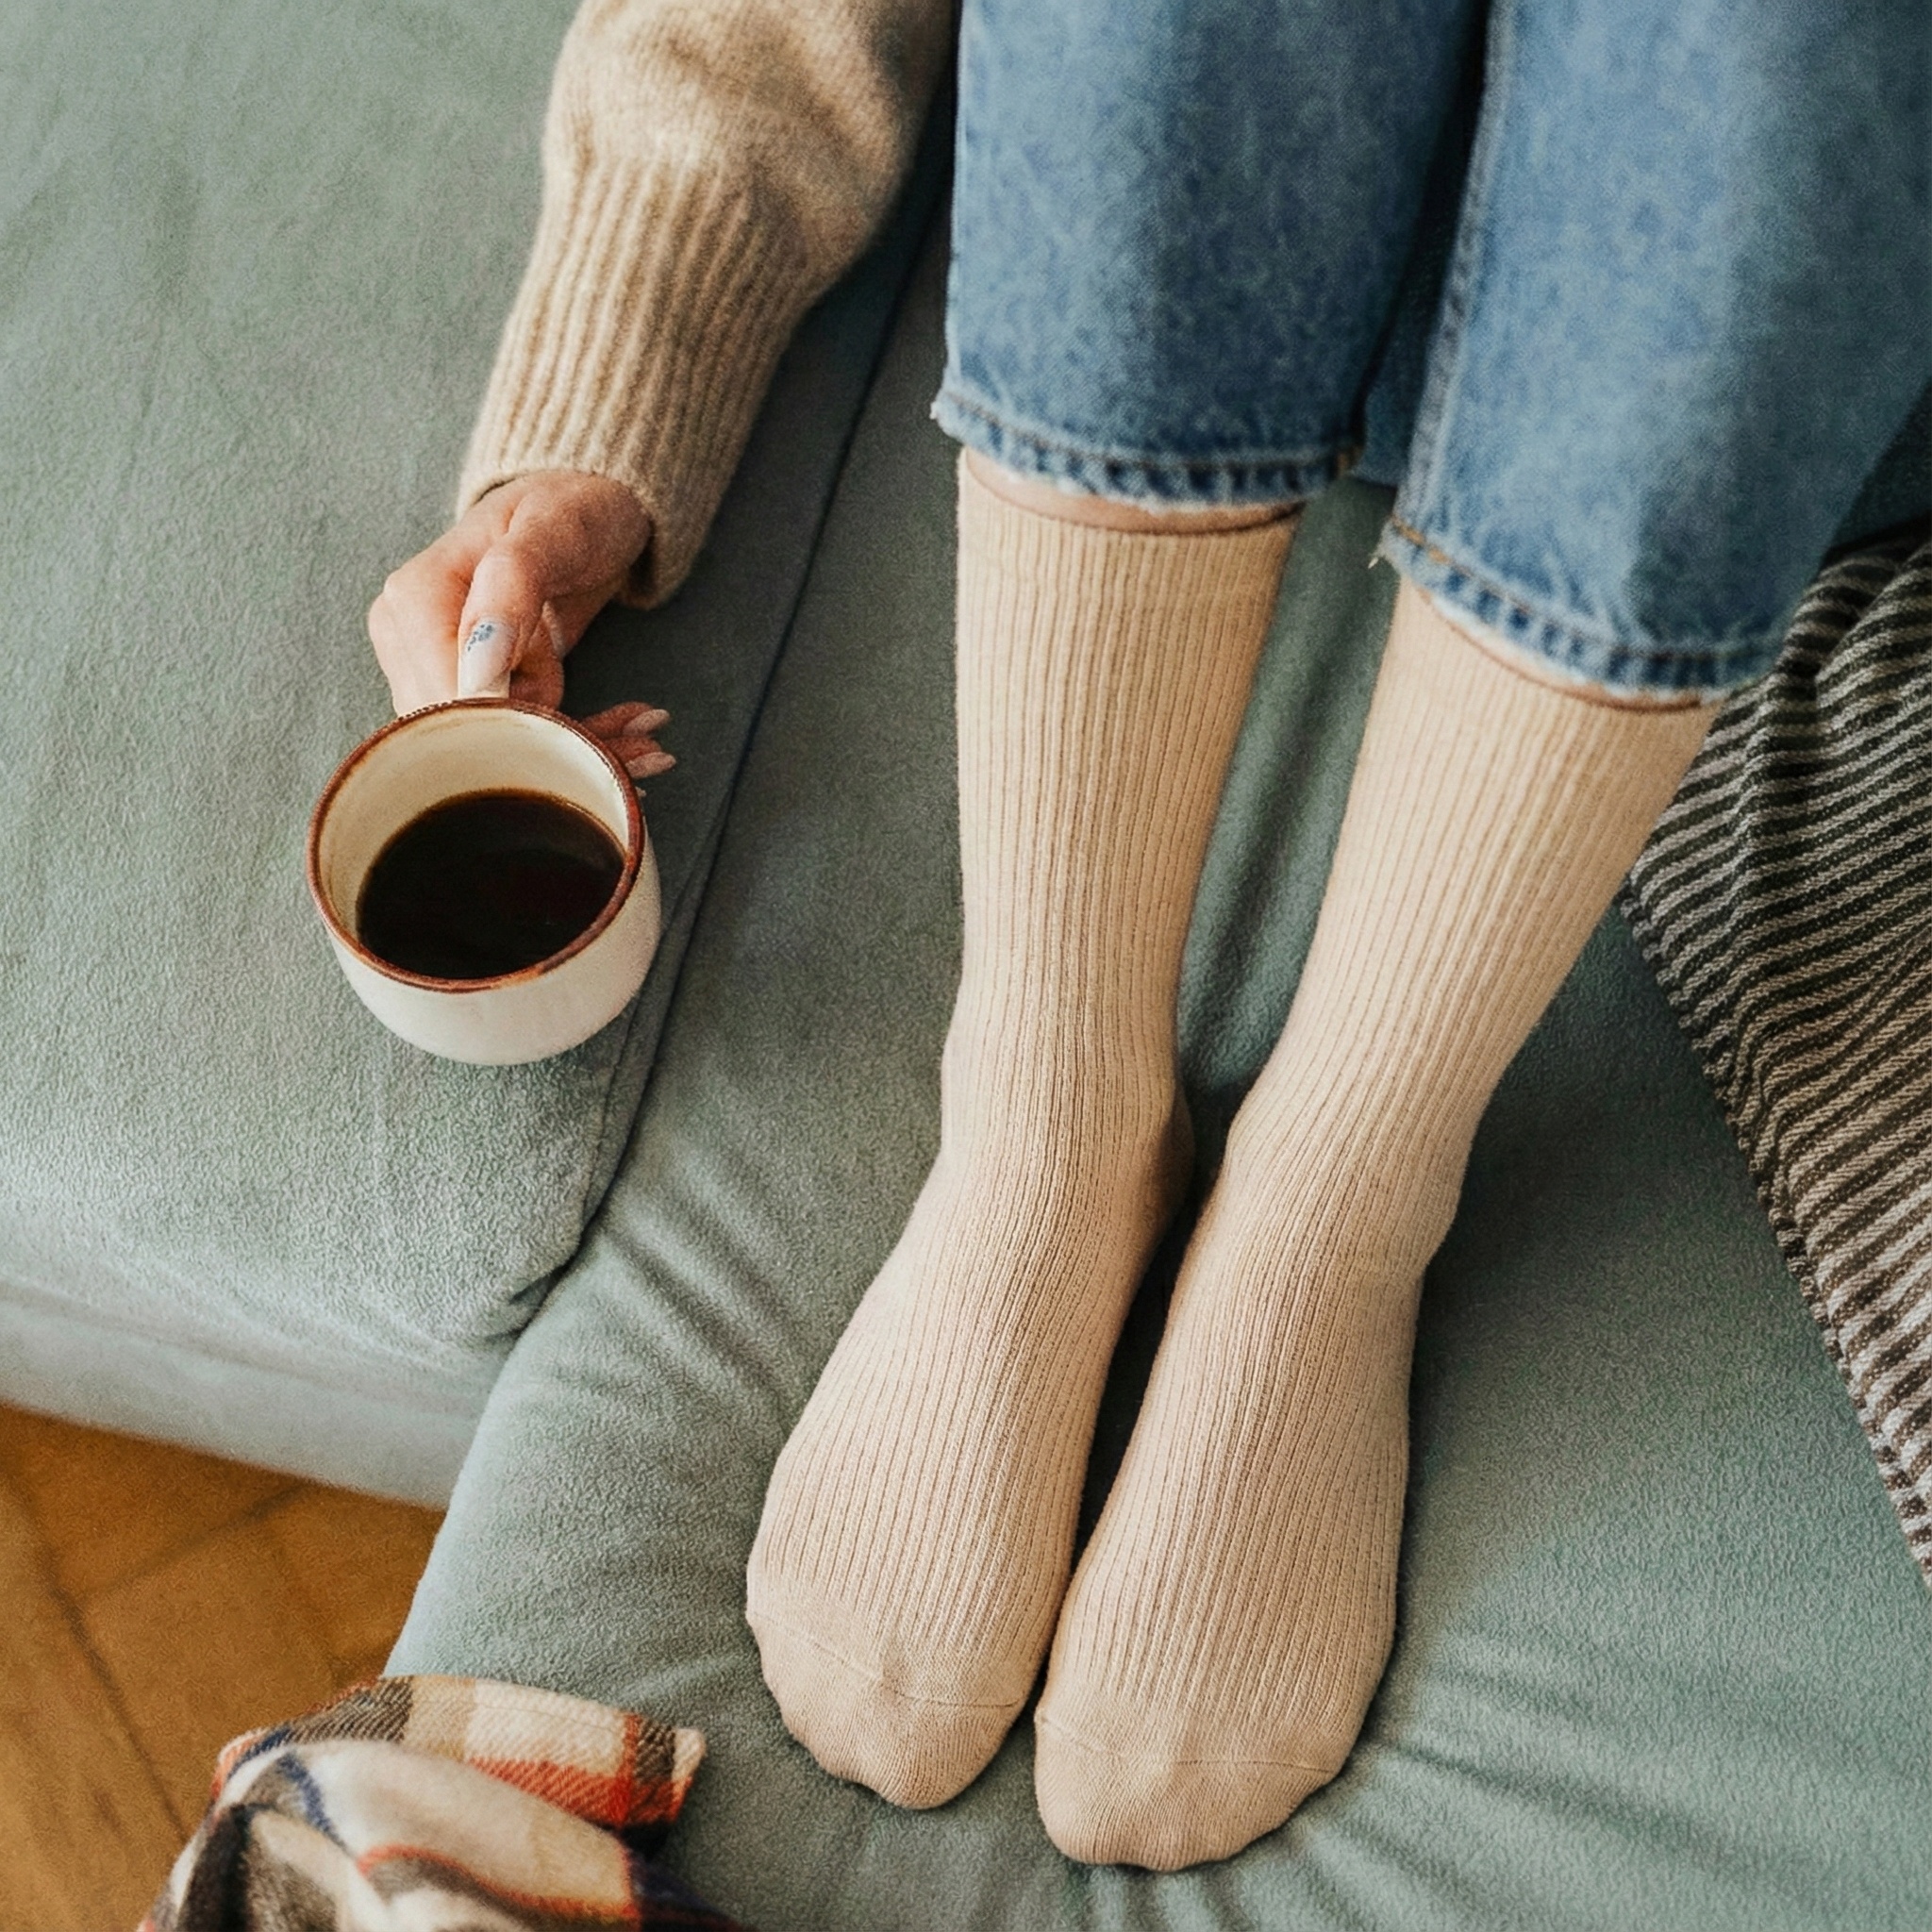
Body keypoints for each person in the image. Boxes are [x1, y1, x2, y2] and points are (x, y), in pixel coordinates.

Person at [366, 0, 1929, 1873]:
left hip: (1766, 346)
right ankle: (1047, 1111)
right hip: (1217, 228)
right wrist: (605, 413)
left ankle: (1335, 1204)